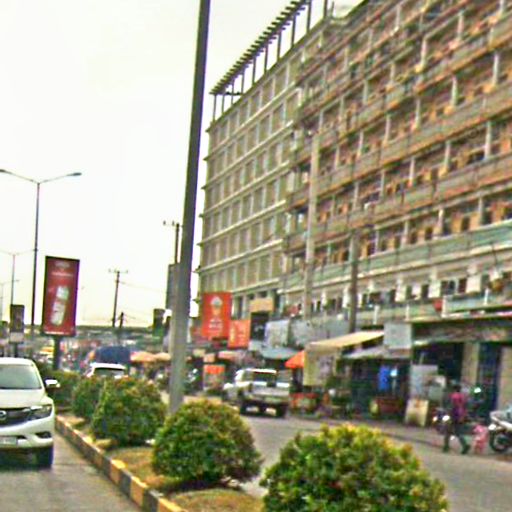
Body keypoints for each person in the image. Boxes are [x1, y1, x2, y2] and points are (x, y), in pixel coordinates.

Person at [443, 383, 470, 454]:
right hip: (461, 416)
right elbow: (465, 406)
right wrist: (464, 415)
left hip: (454, 415)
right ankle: (465, 445)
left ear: (454, 389)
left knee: (448, 431)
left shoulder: (454, 396)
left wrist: (448, 413)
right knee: (458, 432)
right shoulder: (463, 396)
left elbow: (452, 406)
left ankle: (446, 446)